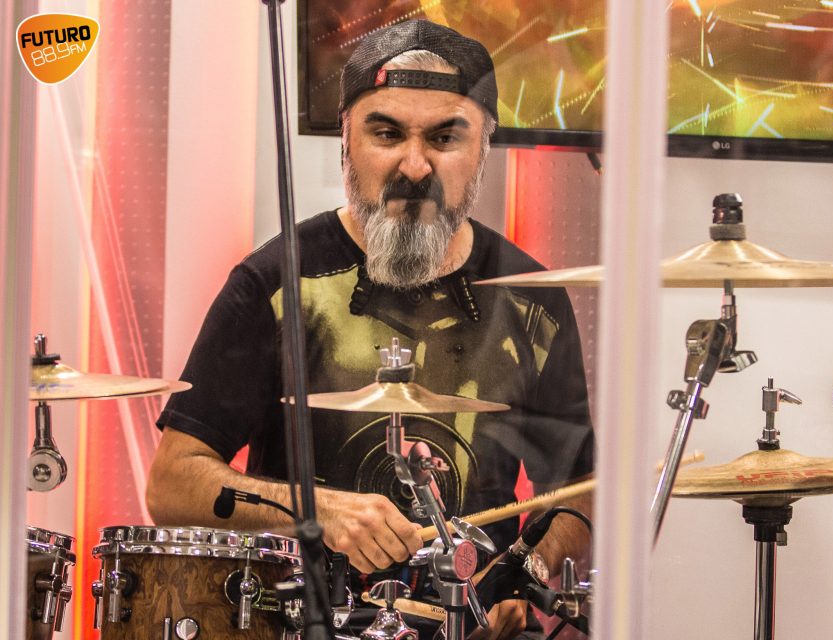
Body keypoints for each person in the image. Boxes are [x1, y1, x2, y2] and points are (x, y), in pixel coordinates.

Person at [147, 19, 594, 640]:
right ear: (345, 139)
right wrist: (319, 510)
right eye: (386, 133)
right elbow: (171, 483)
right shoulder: (275, 283)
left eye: (445, 137)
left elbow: (579, 491)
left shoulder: (532, 301)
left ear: (484, 146)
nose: (415, 165)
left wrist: (528, 577)